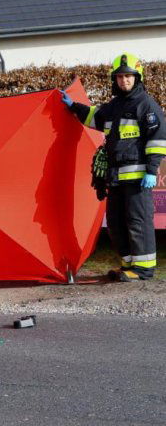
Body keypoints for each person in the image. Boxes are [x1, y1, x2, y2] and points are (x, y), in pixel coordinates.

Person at [61, 53, 165, 281]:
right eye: (119, 77)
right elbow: (94, 117)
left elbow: (157, 139)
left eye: (128, 76)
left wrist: (151, 170)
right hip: (116, 178)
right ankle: (128, 266)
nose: (124, 80)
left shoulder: (146, 105)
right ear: (114, 80)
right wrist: (72, 106)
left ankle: (143, 269)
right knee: (116, 223)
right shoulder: (115, 106)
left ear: (137, 78)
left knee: (138, 222)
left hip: (138, 179)